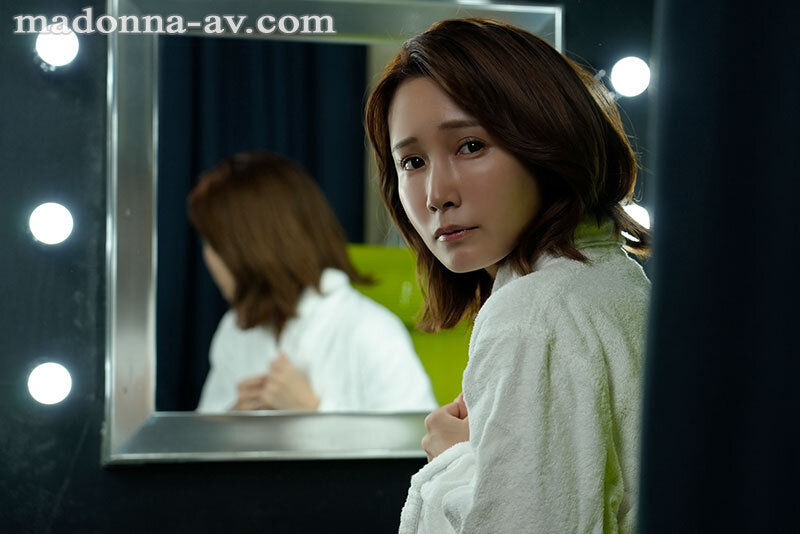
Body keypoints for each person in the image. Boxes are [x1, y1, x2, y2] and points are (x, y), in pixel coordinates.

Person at [364, 18, 651, 533]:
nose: (437, 194)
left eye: (470, 146)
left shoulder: (533, 316)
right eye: (412, 162)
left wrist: (451, 462)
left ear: (547, 137)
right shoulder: (616, 282)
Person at [188, 150, 437, 413]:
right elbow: (205, 429)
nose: (207, 257)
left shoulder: (372, 332)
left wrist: (313, 411)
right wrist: (234, 417)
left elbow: (421, 437)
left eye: (212, 243)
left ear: (252, 247)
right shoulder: (235, 330)